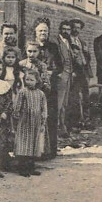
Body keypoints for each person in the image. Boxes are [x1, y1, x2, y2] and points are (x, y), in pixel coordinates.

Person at [33, 17, 62, 158]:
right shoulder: (32, 47)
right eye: (40, 30)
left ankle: (51, 150)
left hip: (51, 87)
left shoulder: (53, 47)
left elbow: (60, 66)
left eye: (45, 30)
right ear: (35, 32)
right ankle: (36, 151)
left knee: (50, 116)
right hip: (35, 88)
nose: (43, 33)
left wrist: (53, 72)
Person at [13, 68, 47, 177]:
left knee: (34, 143)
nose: (29, 82)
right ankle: (22, 168)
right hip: (25, 121)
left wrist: (43, 120)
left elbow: (44, 108)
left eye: (32, 80)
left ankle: (31, 167)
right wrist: (17, 115)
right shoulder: (23, 92)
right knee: (24, 144)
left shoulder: (41, 94)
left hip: (36, 122)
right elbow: (17, 106)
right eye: (27, 79)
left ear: (37, 81)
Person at [68, 18, 93, 129]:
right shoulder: (68, 41)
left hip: (84, 71)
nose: (76, 30)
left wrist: (87, 54)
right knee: (75, 97)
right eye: (74, 27)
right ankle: (77, 122)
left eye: (78, 28)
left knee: (86, 96)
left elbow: (88, 58)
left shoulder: (82, 42)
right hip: (75, 72)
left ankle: (87, 121)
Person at [56, 20, 74, 137]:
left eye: (68, 29)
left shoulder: (68, 42)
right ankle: (57, 128)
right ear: (60, 29)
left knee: (65, 103)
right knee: (58, 103)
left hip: (69, 75)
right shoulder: (57, 42)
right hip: (61, 75)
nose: (66, 31)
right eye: (64, 29)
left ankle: (63, 127)